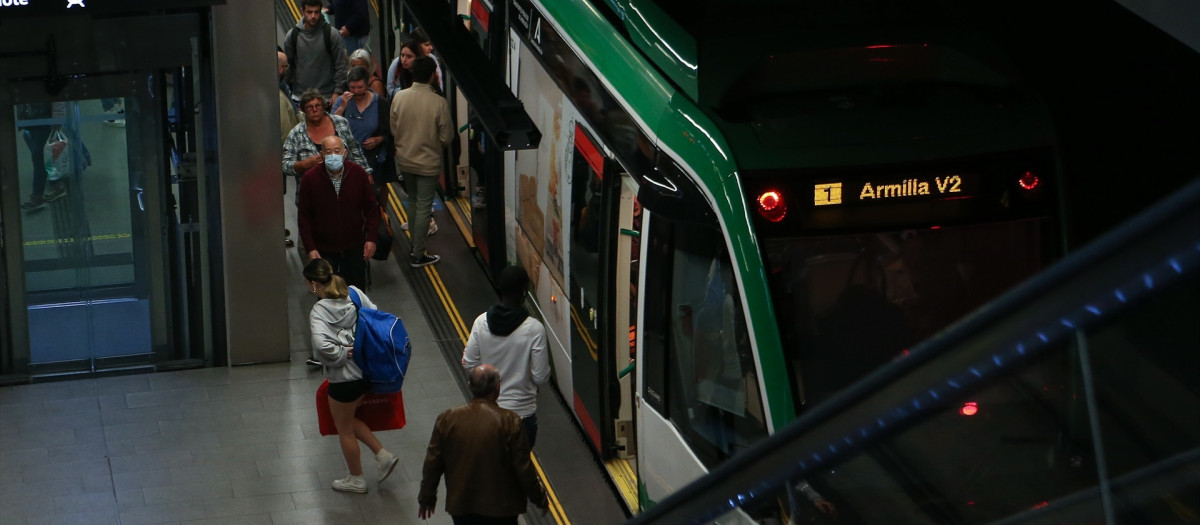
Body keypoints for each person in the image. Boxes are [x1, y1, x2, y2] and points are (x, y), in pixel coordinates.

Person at [304, 258, 400, 494]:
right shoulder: (355, 294)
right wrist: (359, 346)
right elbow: (375, 317)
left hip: (344, 379)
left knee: (344, 428)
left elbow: (322, 347)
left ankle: (356, 478)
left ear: (315, 284)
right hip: (367, 372)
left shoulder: (318, 311)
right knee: (347, 419)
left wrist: (344, 353)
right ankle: (382, 455)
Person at [418, 365, 549, 523]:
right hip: (502, 509)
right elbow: (523, 468)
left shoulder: (447, 419)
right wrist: (539, 498)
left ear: (469, 386)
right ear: (497, 388)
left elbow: (433, 463)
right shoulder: (510, 422)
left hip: (462, 505)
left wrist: (427, 497)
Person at [462, 266, 550, 447]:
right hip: (521, 415)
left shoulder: (481, 322)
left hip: (487, 412)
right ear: (525, 292)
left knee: (490, 467)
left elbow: (469, 363)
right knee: (518, 469)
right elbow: (540, 377)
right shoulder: (534, 329)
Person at [390, 56, 453, 268]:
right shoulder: (439, 102)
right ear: (432, 75)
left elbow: (393, 128)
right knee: (425, 206)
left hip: (405, 159)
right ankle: (417, 253)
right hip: (428, 162)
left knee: (414, 201)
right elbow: (447, 137)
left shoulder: (399, 97)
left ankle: (414, 245)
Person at [297, 135, 379, 293]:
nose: (333, 155)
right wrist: (310, 247)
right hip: (324, 251)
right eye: (328, 151)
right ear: (321, 155)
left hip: (354, 247)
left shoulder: (358, 173)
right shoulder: (310, 179)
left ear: (345, 153)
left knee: (356, 294)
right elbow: (304, 218)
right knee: (327, 295)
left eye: (337, 151)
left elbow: (371, 209)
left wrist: (371, 238)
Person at [283, 89, 372, 192]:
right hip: (313, 195)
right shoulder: (296, 134)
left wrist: (367, 173)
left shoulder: (341, 123)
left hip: (346, 189)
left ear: (323, 106)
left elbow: (355, 151)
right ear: (303, 109)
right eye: (309, 107)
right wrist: (303, 164)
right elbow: (285, 165)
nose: (314, 109)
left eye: (318, 105)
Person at [331, 66, 391, 184]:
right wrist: (342, 106)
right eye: (352, 87)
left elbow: (391, 130)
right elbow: (330, 126)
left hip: (373, 159)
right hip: (347, 159)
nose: (356, 91)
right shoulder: (341, 101)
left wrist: (380, 139)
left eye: (360, 87)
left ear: (367, 85)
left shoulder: (381, 103)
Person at [283, 0, 349, 103]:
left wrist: (337, 92)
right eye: (309, 12)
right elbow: (287, 68)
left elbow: (341, 65)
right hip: (299, 98)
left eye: (317, 12)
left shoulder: (332, 35)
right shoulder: (292, 36)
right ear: (302, 11)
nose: (313, 16)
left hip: (326, 98)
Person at [17, 102, 65, 211]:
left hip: (43, 122)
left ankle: (37, 196)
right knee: (43, 157)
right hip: (34, 120)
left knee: (38, 159)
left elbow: (58, 101)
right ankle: (56, 184)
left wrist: (57, 121)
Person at [278, 51, 302, 143]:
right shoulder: (279, 97)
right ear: (280, 68)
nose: (287, 69)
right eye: (286, 66)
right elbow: (285, 131)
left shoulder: (283, 89)